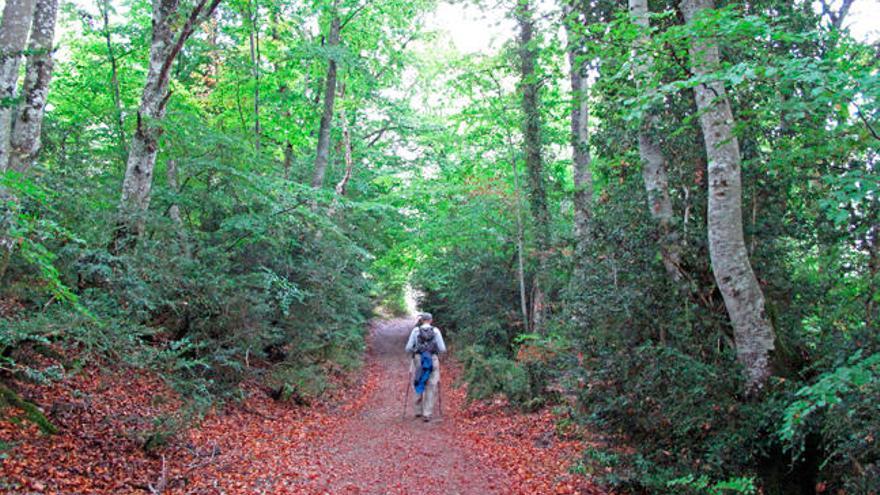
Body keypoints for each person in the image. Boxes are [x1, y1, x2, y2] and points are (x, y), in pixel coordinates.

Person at [404, 312, 446, 422]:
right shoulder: (436, 331)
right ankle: (427, 413)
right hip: (432, 359)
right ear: (431, 320)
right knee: (431, 384)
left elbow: (408, 348)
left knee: (418, 380)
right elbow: (442, 348)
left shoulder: (416, 331)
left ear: (421, 320)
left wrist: (415, 351)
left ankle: (418, 410)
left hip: (419, 359)